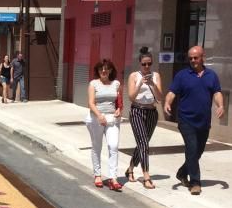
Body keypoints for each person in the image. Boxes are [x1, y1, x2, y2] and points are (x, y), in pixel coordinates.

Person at [164, 45, 224, 196]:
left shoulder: (211, 75)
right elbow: (172, 92)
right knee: (191, 148)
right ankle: (195, 182)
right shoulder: (182, 75)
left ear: (202, 57)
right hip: (186, 120)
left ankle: (182, 172)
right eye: (190, 58)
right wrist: (167, 103)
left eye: (195, 58)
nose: (192, 61)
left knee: (198, 151)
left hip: (203, 121)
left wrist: (221, 105)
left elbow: (217, 92)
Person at [125, 50, 163, 189]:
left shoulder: (156, 76)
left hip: (152, 112)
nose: (147, 67)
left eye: (149, 64)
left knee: (143, 143)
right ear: (139, 64)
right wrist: (140, 83)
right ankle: (146, 176)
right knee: (143, 144)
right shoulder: (133, 76)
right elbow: (131, 97)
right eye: (144, 64)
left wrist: (152, 84)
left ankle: (130, 168)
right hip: (137, 111)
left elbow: (159, 97)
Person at [87, 58, 124, 192]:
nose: (104, 70)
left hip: (112, 119)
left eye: (107, 68)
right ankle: (97, 174)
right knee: (97, 146)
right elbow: (91, 103)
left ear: (111, 70)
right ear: (98, 71)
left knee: (113, 145)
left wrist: (120, 109)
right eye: (101, 69)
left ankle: (113, 178)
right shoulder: (93, 84)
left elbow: (119, 101)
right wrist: (99, 115)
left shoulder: (116, 84)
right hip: (96, 117)